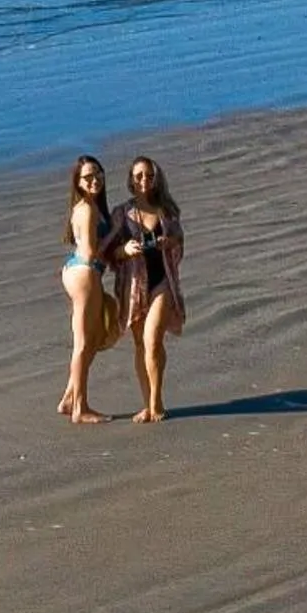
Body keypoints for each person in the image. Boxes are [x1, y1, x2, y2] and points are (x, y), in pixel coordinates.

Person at [111, 155, 184, 424]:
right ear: (131, 179)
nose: (144, 180)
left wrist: (169, 241)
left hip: (163, 282)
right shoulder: (122, 213)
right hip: (133, 286)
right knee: (142, 345)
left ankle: (156, 403)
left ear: (156, 179)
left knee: (153, 340)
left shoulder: (167, 210)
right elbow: (108, 253)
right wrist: (125, 249)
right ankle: (147, 402)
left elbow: (180, 240)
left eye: (149, 175)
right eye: (139, 175)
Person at [58, 155, 114, 424]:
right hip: (85, 273)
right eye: (88, 177)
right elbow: (92, 251)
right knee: (82, 344)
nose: (95, 180)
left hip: (75, 269)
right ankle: (80, 409)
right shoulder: (89, 209)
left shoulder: (85, 206)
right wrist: (117, 242)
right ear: (78, 182)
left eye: (98, 174)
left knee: (89, 341)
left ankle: (70, 397)